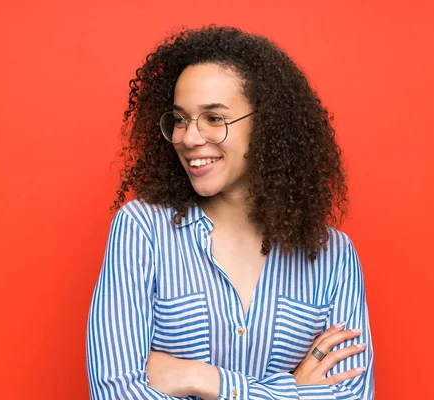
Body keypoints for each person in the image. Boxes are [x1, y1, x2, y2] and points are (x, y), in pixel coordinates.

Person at [86, 25, 374, 399]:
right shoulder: (142, 231)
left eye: (214, 118)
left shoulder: (333, 256)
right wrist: (293, 390)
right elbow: (115, 393)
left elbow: (349, 395)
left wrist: (202, 379)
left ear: (266, 125)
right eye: (179, 119)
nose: (189, 138)